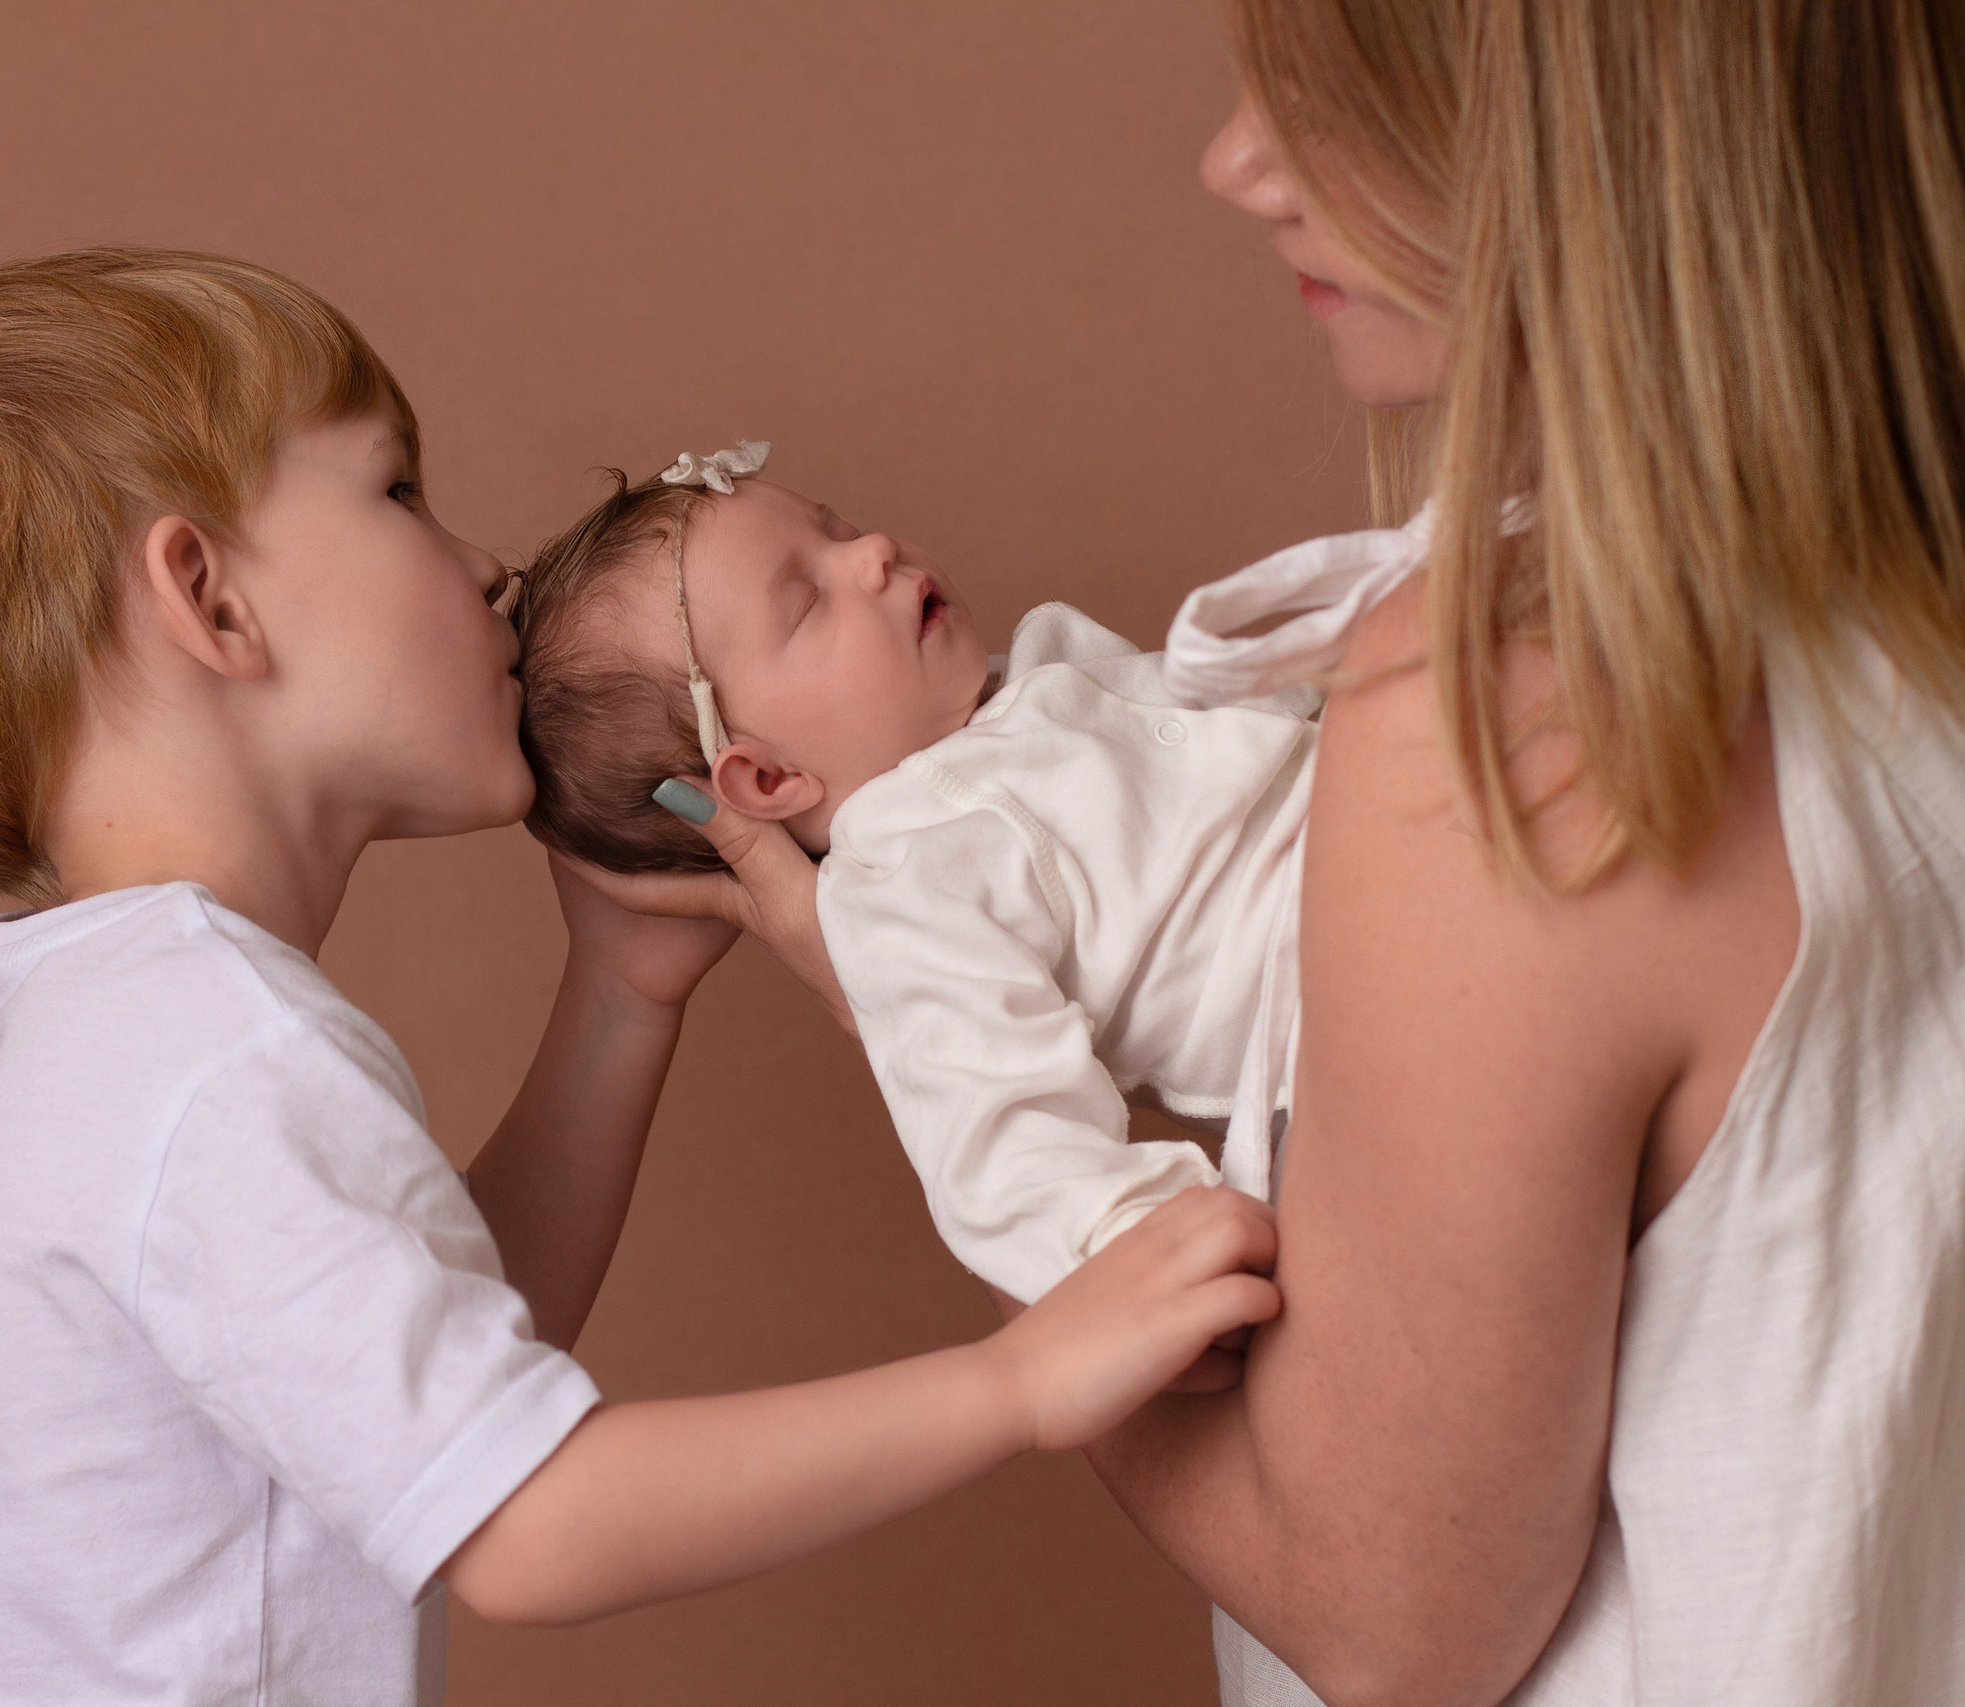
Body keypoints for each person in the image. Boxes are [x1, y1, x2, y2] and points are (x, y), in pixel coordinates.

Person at [599, 3, 1965, 1701]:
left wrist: (899, 1051)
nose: (1236, 159)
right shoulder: (1894, 595)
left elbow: (1392, 1617)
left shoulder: (1502, 733)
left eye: (1335, 95)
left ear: (1573, 136)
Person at [0, 249, 1284, 1707]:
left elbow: (416, 1371)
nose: (485, 565)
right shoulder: (210, 1047)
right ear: (208, 598)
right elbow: (526, 1519)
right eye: (396, 488)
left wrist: (618, 992)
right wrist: (1022, 1378)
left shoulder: (103, 1017)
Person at [512, 441, 1423, 1308]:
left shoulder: (1033, 671)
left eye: (837, 528)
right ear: (766, 778)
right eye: (806, 601)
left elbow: (1251, 727)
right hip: (1359, 1021)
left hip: (1408, 831)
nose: (871, 552)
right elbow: (998, 1128)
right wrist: (1133, 1243)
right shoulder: (904, 882)